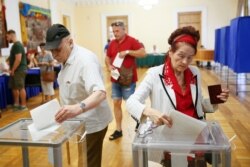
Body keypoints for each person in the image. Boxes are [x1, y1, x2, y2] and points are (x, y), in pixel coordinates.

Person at [126, 26, 229, 166]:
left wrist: (216, 99)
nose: (185, 62)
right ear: (170, 52)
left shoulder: (195, 72)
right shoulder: (155, 74)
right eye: (181, 56)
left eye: (190, 57)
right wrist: (149, 111)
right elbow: (131, 102)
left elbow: (199, 104)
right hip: (168, 138)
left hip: (195, 136)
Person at [44, 24, 112, 167]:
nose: (55, 55)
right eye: (52, 51)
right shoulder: (66, 57)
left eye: (58, 50)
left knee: (89, 163)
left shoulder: (85, 61)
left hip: (92, 122)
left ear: (70, 42)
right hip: (77, 122)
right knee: (83, 160)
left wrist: (78, 108)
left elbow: (100, 93)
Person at [105, 21, 146, 140]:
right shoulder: (112, 43)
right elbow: (107, 57)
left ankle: (141, 123)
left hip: (128, 79)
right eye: (113, 31)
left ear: (124, 30)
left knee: (131, 105)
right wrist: (108, 66)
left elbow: (143, 53)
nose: (115, 33)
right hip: (115, 79)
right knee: (116, 103)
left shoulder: (132, 41)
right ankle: (118, 130)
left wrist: (128, 52)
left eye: (117, 31)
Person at [6, 30, 28, 111]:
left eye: (7, 36)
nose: (7, 38)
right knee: (15, 87)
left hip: (19, 70)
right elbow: (13, 58)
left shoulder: (17, 45)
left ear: (12, 35)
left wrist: (13, 70)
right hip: (16, 70)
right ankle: (17, 104)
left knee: (20, 87)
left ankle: (23, 105)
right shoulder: (15, 45)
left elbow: (18, 59)